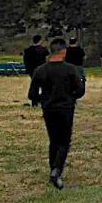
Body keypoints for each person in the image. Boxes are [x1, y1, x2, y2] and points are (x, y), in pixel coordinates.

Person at [27, 38, 85, 189]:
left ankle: (52, 168)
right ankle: (56, 170)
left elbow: (32, 94)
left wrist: (43, 99)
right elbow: (80, 90)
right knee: (64, 141)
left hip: (49, 109)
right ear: (63, 51)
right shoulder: (71, 69)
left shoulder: (40, 70)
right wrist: (71, 97)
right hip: (66, 108)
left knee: (53, 140)